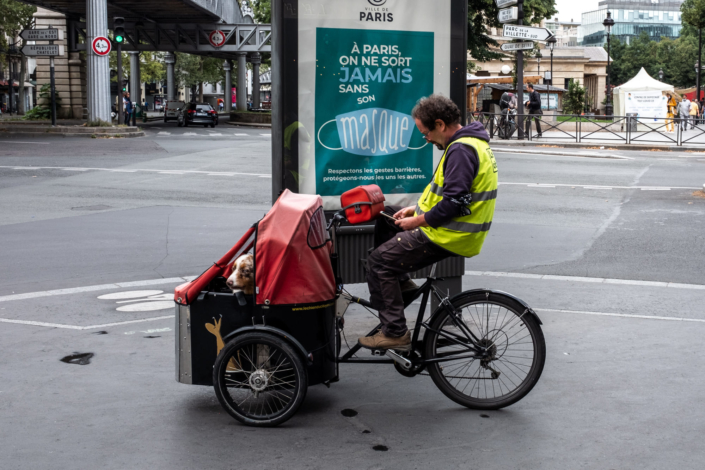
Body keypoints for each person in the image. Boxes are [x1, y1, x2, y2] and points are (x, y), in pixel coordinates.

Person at [358, 94, 498, 351]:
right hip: (450, 229)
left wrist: (418, 221)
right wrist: (415, 210)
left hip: (449, 234)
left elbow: (455, 202)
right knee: (388, 216)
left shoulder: (461, 150)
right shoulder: (470, 142)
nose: (427, 139)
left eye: (426, 133)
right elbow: (448, 194)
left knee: (378, 262)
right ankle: (402, 285)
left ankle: (395, 332)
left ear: (440, 124)